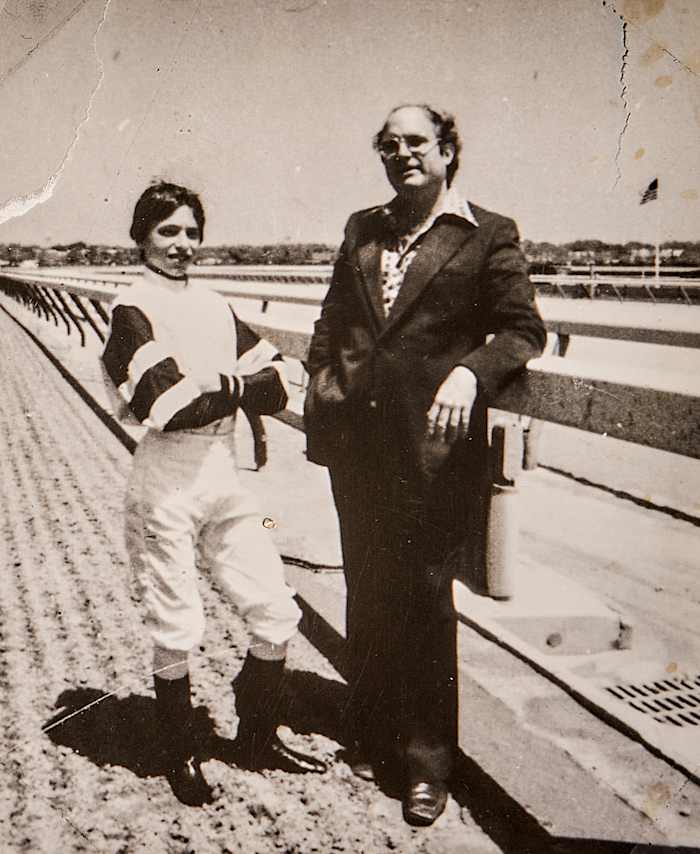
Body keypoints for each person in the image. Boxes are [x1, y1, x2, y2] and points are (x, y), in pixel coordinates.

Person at [304, 105, 545, 825]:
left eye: (415, 142)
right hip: (359, 446)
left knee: (425, 599)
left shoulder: (487, 232)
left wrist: (472, 373)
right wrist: (323, 385)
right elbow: (332, 322)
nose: (400, 153)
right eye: (388, 144)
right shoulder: (362, 227)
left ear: (446, 151)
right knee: (368, 587)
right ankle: (372, 733)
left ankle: (427, 764)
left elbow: (524, 327)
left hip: (433, 453)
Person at [102, 181, 325, 807]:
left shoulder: (215, 304)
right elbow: (169, 405)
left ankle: (256, 736)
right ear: (142, 236)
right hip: (166, 478)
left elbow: (283, 380)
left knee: (275, 607)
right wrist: (239, 385)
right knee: (177, 622)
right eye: (168, 231)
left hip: (225, 473)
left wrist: (217, 382)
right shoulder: (131, 308)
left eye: (191, 232)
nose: (182, 245)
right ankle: (180, 750)